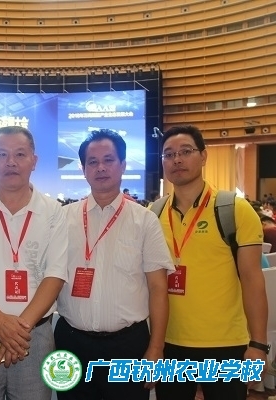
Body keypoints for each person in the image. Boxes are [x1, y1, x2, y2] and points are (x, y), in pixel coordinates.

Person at [55, 129, 173, 400]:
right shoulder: (62, 218)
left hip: (127, 346)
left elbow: (158, 288)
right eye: (93, 162)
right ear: (83, 169)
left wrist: (156, 348)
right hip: (72, 343)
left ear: (123, 165)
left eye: (108, 160)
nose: (101, 168)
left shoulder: (144, 221)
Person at [153, 125, 267, 400]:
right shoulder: (154, 213)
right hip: (169, 343)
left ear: (204, 156)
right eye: (169, 154)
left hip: (226, 344)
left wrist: (258, 345)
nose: (177, 160)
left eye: (185, 151)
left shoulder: (234, 209)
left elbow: (252, 280)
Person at [0, 126, 68, 400]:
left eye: (20, 154)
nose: (11, 162)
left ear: (34, 160)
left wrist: (18, 330)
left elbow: (55, 274)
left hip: (34, 336)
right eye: (2, 154)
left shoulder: (53, 211)